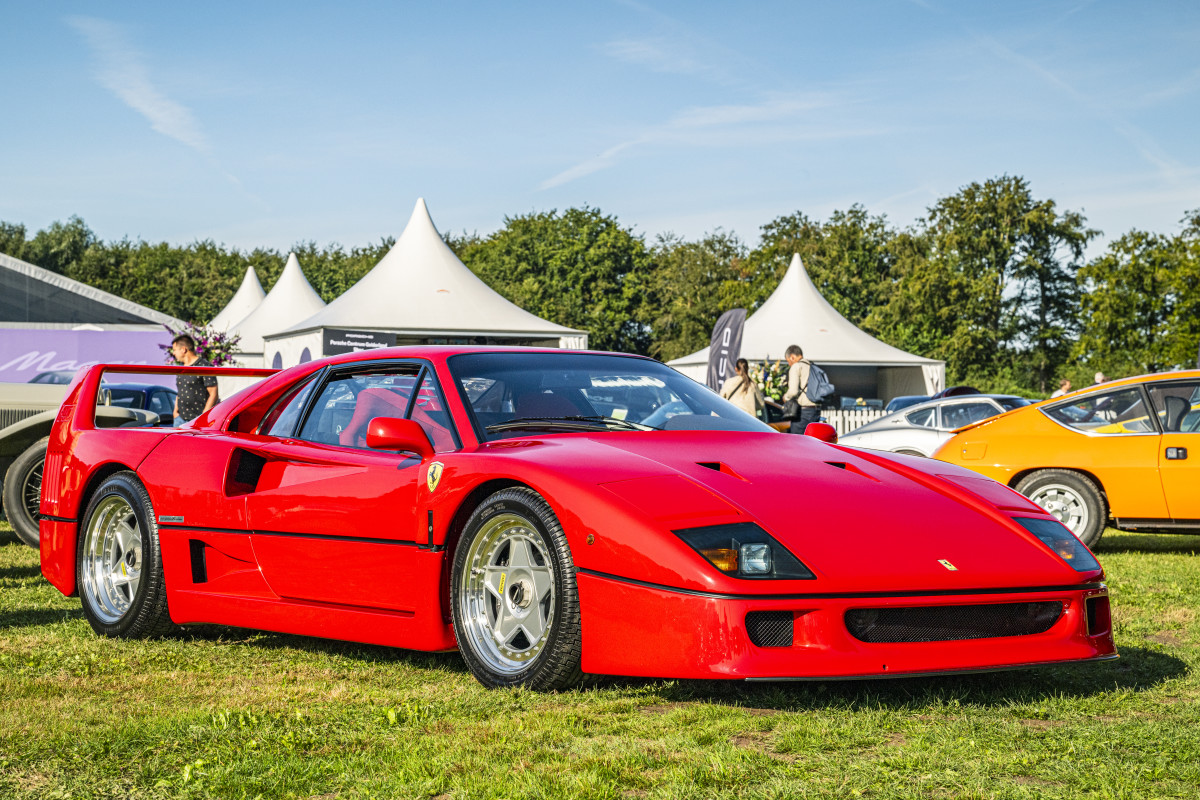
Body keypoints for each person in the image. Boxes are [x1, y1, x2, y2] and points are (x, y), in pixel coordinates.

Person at [170, 334, 218, 425]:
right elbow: (180, 391)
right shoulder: (181, 368)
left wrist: (203, 416)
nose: (173, 353)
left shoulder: (204, 366)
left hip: (198, 419)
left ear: (183, 349)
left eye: (175, 350)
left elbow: (214, 393)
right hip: (180, 419)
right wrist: (175, 412)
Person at [782, 344, 820, 433]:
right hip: (816, 410)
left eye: (788, 361)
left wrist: (785, 397)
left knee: (796, 441)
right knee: (812, 441)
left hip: (803, 411)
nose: (789, 364)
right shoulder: (813, 366)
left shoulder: (796, 367)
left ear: (792, 357)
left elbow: (793, 391)